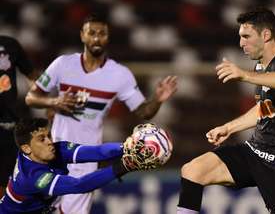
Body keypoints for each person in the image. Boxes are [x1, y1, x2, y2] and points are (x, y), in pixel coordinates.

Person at [25, 14, 177, 213]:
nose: (97, 38)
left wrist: (158, 98)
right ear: (82, 35)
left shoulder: (119, 74)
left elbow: (143, 112)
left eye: (102, 34)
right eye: (92, 33)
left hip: (86, 157)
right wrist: (54, 101)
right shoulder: (63, 64)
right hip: (53, 152)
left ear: (108, 37)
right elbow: (31, 97)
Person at [177, 7, 275, 214]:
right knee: (193, 170)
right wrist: (229, 128)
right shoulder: (261, 67)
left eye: (246, 36)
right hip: (254, 152)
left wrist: (244, 75)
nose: (241, 44)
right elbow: (265, 108)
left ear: (266, 35)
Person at [0, 118, 155, 214]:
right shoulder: (32, 177)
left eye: (48, 136)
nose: (49, 142)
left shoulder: (55, 149)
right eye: (41, 139)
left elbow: (97, 152)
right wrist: (125, 166)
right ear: (26, 148)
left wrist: (126, 147)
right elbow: (79, 185)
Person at [0, 35, 38, 198]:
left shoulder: (9, 45)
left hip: (7, 124)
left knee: (8, 182)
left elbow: (32, 75)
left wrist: (45, 101)